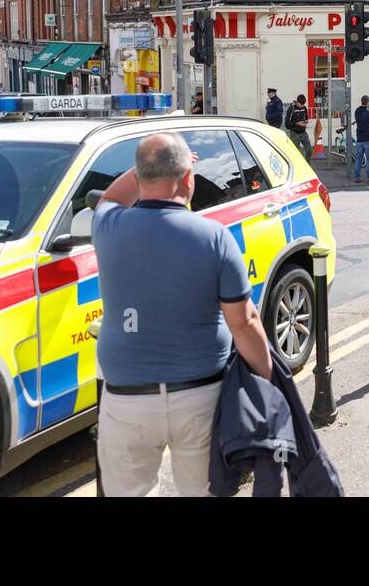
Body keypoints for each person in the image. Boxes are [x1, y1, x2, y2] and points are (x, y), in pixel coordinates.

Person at [92, 132, 273, 496]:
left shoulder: (106, 225)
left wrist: (149, 167)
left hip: (126, 401)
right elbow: (244, 322)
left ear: (140, 177)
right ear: (188, 180)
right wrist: (268, 378)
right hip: (200, 398)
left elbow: (113, 196)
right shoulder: (214, 237)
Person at [352, 95, 369, 184]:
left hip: (359, 139)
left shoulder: (357, 112)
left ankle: (357, 177)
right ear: (367, 103)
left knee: (358, 159)